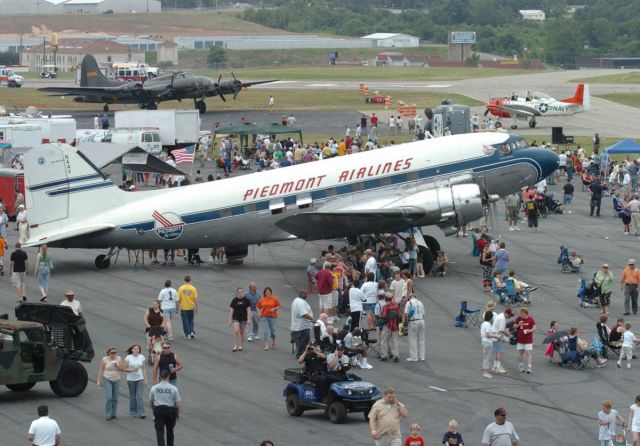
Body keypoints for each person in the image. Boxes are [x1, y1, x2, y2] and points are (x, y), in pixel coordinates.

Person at [149, 369, 182, 446]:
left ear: (160, 377)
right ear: (168, 376)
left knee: (159, 431)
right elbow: (178, 403)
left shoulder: (154, 388)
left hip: (159, 410)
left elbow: (150, 401)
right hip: (170, 411)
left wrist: (153, 409)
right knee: (170, 431)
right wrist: (178, 413)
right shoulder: (173, 388)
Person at [96, 346, 125, 420]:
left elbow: (122, 369)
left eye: (115, 353)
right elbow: (101, 370)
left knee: (115, 398)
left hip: (116, 379)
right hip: (107, 379)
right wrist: (98, 381)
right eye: (112, 353)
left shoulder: (118, 359)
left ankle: (113, 414)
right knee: (109, 397)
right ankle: (108, 414)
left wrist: (116, 365)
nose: (113, 354)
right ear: (109, 353)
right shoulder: (104, 359)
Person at [124, 344, 147, 419]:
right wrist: (132, 370)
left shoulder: (142, 357)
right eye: (135, 348)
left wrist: (145, 379)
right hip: (131, 379)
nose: (136, 350)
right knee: (133, 396)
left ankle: (141, 412)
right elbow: (125, 368)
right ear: (132, 350)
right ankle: (133, 411)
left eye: (137, 349)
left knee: (139, 396)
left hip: (139, 378)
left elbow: (144, 368)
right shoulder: (128, 358)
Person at [256, 286, 281, 351]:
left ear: (271, 292)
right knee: (265, 331)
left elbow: (279, 305)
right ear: (264, 292)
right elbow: (257, 306)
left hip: (272, 317)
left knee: (273, 331)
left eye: (269, 291)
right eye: (266, 291)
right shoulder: (262, 299)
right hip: (265, 317)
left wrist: (274, 308)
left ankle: (273, 342)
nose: (268, 292)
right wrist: (259, 313)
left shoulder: (274, 298)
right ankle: (266, 345)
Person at [291, 290, 314, 357]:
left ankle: (300, 353)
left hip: (297, 326)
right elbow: (304, 314)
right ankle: (300, 355)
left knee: (299, 341)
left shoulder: (296, 300)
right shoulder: (301, 303)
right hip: (302, 326)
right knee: (303, 342)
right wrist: (312, 319)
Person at [514, 307, 536, 374]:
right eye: (521, 313)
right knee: (521, 353)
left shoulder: (530, 319)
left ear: (526, 313)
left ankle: (529, 367)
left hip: (528, 339)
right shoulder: (518, 319)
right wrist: (518, 325)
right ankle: (521, 365)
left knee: (528, 352)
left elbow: (534, 327)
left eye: (522, 313)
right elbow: (514, 326)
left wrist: (530, 330)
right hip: (520, 338)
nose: (521, 315)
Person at [404, 294, 425, 362]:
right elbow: (423, 314)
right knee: (421, 340)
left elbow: (406, 314)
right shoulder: (420, 302)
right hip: (421, 321)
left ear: (409, 297)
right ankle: (422, 356)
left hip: (413, 321)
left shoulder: (409, 302)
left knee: (413, 339)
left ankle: (414, 357)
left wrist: (406, 323)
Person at [491, 307, 513, 374]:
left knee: (497, 352)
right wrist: (509, 335)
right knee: (499, 352)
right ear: (506, 313)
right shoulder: (502, 318)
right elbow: (501, 330)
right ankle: (498, 367)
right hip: (496, 337)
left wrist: (507, 333)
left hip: (495, 336)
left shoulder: (501, 315)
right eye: (509, 315)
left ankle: (494, 367)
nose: (509, 317)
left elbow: (502, 329)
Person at [229, 287, 251, 352]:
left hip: (243, 318)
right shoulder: (234, 300)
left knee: (242, 332)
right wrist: (230, 320)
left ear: (243, 292)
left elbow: (248, 310)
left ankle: (241, 345)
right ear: (237, 292)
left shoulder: (246, 300)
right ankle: (235, 346)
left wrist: (249, 318)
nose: (240, 293)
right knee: (236, 331)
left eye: (241, 292)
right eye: (239, 292)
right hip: (236, 318)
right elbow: (231, 310)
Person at [380, 292, 400, 362]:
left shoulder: (386, 306)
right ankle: (396, 355)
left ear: (387, 298)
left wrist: (380, 318)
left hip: (387, 325)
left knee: (384, 341)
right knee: (395, 341)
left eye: (385, 297)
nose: (384, 298)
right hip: (395, 325)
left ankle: (384, 356)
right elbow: (398, 315)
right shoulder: (396, 305)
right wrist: (397, 324)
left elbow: (384, 317)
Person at [177, 275, 198, 339]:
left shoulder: (181, 288)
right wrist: (196, 307)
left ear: (184, 280)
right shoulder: (193, 288)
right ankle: (191, 331)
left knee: (185, 321)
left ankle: (187, 333)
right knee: (191, 320)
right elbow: (195, 299)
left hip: (183, 307)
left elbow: (179, 299)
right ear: (190, 280)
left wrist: (177, 307)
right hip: (191, 306)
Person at [481, 311, 497, 379]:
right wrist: (495, 336)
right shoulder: (488, 324)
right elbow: (488, 335)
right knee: (487, 357)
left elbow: (486, 333)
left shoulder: (483, 323)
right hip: (487, 342)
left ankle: (485, 369)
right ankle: (485, 372)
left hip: (484, 341)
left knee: (485, 357)